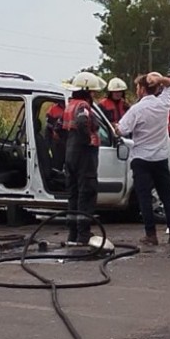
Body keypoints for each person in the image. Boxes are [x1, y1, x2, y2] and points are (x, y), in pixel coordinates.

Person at [114, 72, 170, 246]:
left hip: (141, 158)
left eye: (137, 87)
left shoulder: (136, 109)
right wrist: (160, 80)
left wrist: (115, 128)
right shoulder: (164, 104)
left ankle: (151, 235)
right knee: (166, 196)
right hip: (160, 157)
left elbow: (122, 130)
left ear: (142, 89)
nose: (136, 90)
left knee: (144, 197)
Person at [62, 72, 103, 245]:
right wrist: (87, 140)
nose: (94, 95)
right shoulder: (83, 105)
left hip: (71, 153)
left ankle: (72, 233)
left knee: (74, 194)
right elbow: (81, 123)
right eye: (92, 92)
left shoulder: (69, 105)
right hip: (84, 155)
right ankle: (83, 234)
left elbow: (59, 129)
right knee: (86, 193)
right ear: (86, 90)